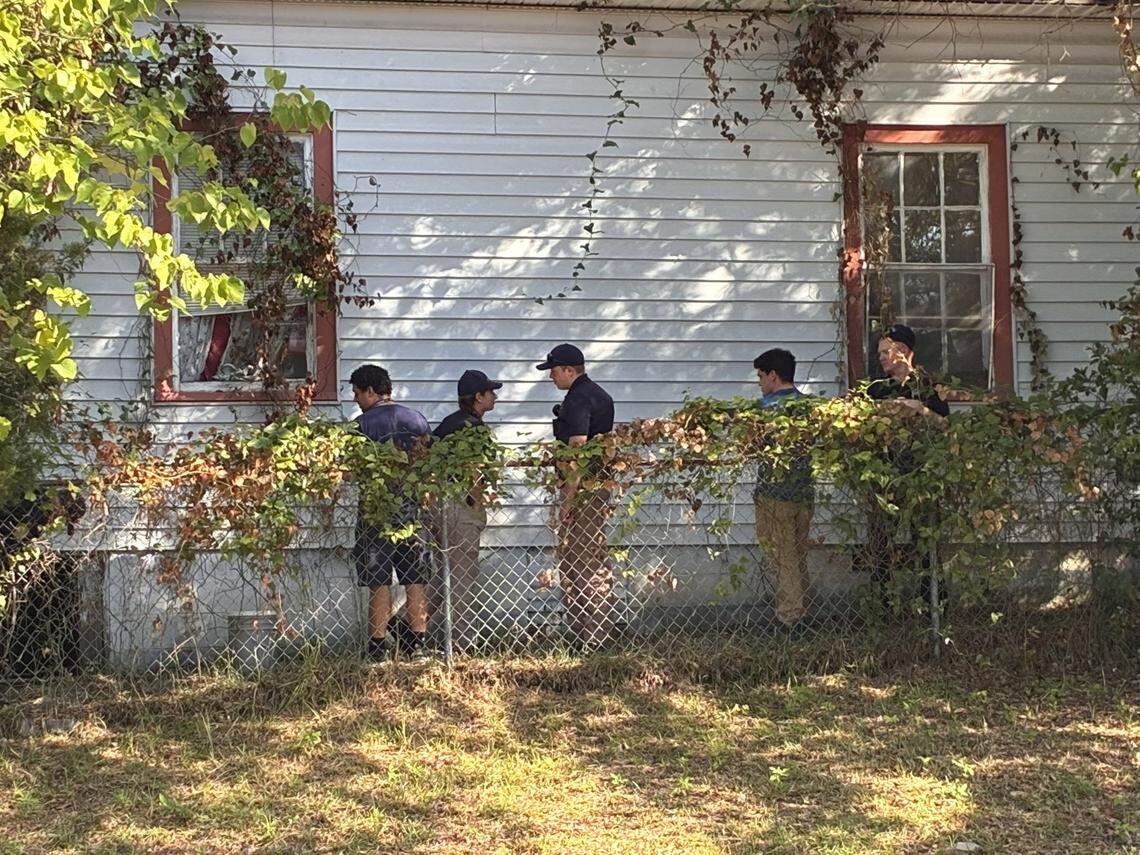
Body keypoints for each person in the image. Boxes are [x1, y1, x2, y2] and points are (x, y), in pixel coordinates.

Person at [860, 324, 949, 615]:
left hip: (921, 475)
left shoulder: (928, 386)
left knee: (925, 543)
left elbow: (945, 427)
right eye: (880, 353)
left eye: (887, 351)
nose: (882, 357)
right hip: (884, 478)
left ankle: (933, 608)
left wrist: (919, 409)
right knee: (880, 542)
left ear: (905, 352)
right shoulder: (875, 388)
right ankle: (883, 608)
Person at [349, 364, 432, 661]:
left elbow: (352, 470)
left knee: (379, 582)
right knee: (415, 581)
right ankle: (418, 646)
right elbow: (427, 463)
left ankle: (377, 649)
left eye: (357, 393)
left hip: (375, 513)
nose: (356, 399)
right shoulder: (417, 420)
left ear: (371, 391)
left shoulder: (362, 426)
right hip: (411, 513)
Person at [537, 343, 616, 649]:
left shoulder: (580, 398)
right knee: (577, 560)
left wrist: (568, 497)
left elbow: (578, 449)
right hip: (594, 488)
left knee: (584, 561)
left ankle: (594, 637)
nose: (551, 377)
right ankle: (586, 633)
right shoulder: (596, 394)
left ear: (570, 370)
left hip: (584, 491)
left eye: (554, 371)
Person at [429, 369, 502, 651]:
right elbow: (474, 471)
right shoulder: (474, 428)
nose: (494, 396)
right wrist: (477, 503)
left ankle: (407, 627)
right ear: (478, 397)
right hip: (459, 505)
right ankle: (462, 644)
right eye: (490, 392)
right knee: (463, 574)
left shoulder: (449, 423)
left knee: (446, 571)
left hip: (437, 503)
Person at [752, 348, 814, 632]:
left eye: (761, 376)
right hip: (804, 494)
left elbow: (752, 447)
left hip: (774, 495)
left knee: (782, 556)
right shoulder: (808, 407)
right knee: (798, 555)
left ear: (773, 376)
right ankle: (803, 609)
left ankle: (791, 619)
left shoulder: (765, 410)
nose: (760, 383)